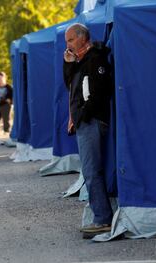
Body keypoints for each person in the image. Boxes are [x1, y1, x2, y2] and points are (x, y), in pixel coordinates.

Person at [63, 23, 113, 235]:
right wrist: (68, 64)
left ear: (83, 38)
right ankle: (100, 217)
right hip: (85, 122)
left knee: (92, 172)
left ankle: (102, 219)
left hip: (91, 122)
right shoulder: (81, 60)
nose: (68, 45)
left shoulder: (95, 59)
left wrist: (82, 115)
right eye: (67, 41)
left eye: (71, 40)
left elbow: (100, 91)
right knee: (90, 171)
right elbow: (70, 86)